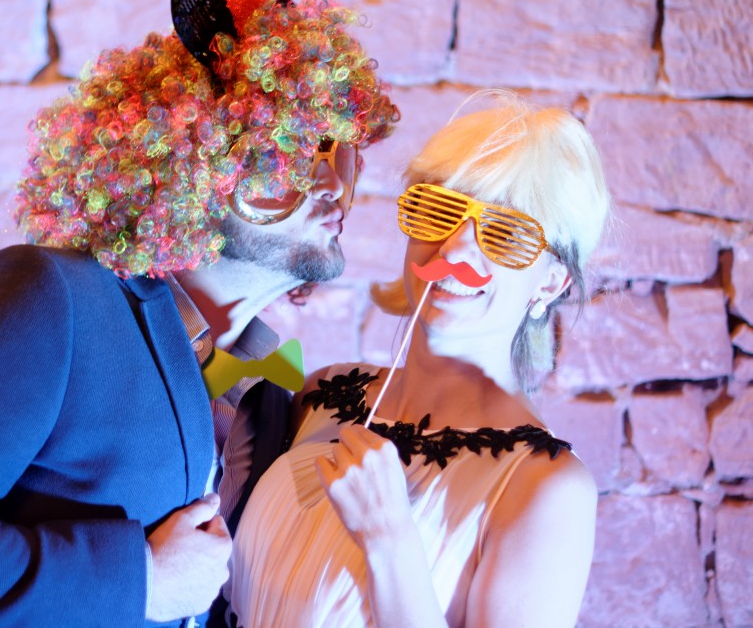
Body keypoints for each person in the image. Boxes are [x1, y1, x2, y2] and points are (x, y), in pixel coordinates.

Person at [0, 0, 396, 628]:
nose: (330, 186)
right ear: (191, 165)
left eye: (339, 156)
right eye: (286, 155)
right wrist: (140, 579)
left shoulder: (269, 390)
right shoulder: (48, 298)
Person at [228, 89, 610, 628]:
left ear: (550, 282)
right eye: (437, 210)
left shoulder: (546, 489)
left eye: (506, 234)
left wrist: (389, 538)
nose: (454, 251)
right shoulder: (322, 394)